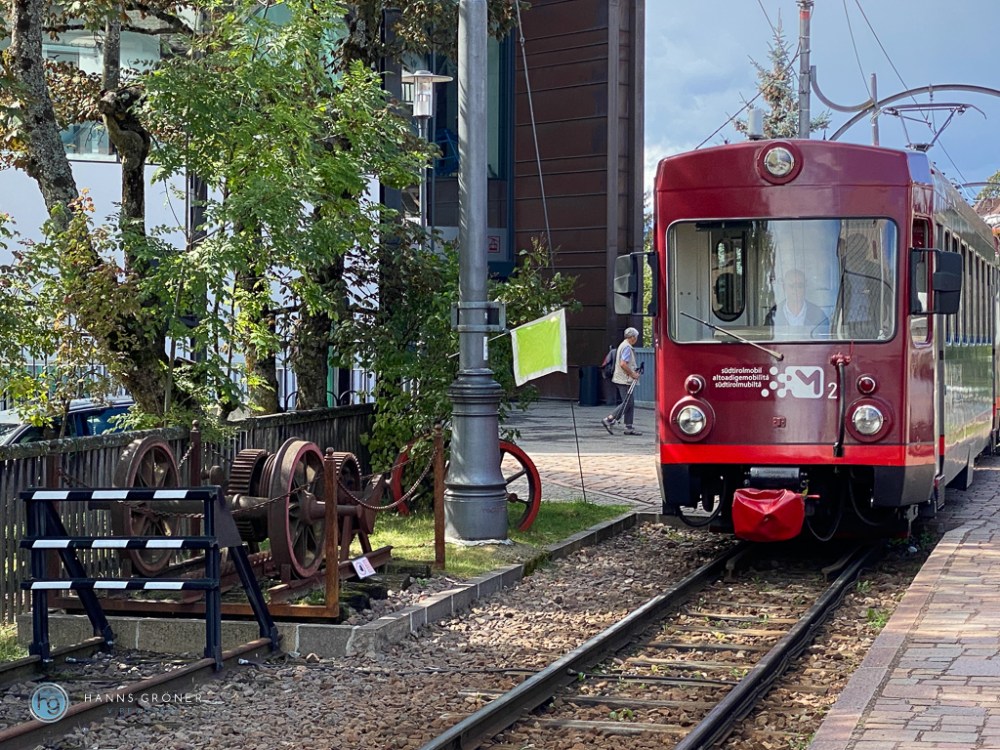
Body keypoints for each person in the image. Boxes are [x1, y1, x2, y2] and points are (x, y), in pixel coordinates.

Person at [601, 327, 642, 436]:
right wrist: (632, 374)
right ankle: (609, 419)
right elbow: (623, 363)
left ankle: (629, 427)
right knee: (627, 402)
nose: (636, 339)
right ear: (632, 337)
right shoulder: (627, 347)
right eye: (636, 337)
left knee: (630, 402)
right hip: (624, 379)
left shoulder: (623, 345)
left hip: (621, 378)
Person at [769, 269, 829, 338]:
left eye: (800, 286)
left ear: (805, 287)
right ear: (784, 287)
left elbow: (825, 343)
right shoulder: (773, 315)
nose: (796, 290)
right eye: (791, 286)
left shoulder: (819, 315)